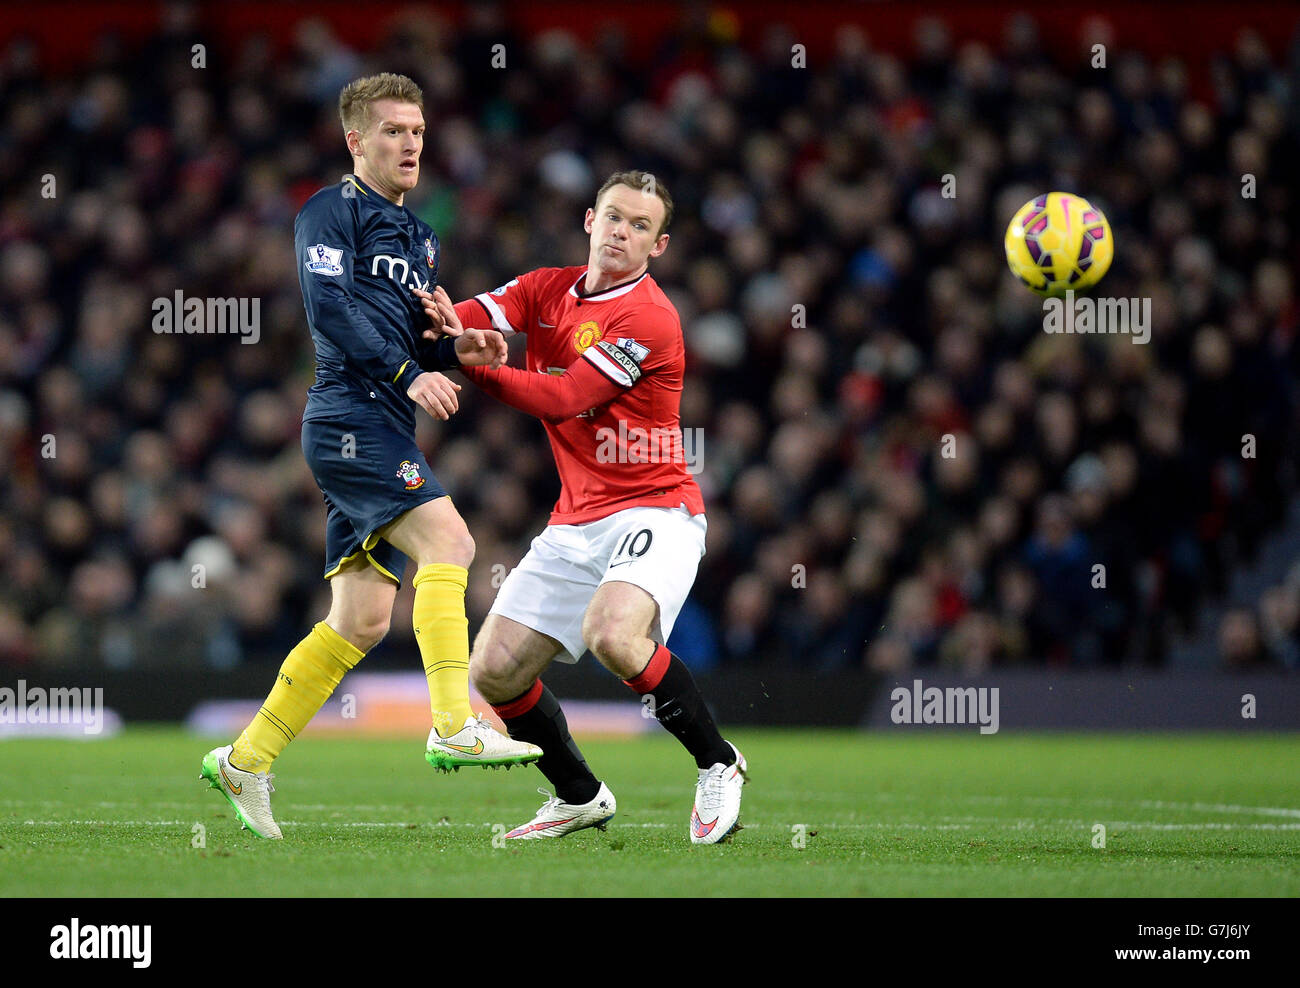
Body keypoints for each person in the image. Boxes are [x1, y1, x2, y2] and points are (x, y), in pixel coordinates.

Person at [200, 73, 541, 840]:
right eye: (392, 130)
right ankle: (454, 721)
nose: (411, 142)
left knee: (359, 620)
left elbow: (413, 337)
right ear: (355, 140)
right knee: (452, 542)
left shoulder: (421, 239)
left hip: (385, 421)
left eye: (418, 130)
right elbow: (330, 308)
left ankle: (246, 760)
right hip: (348, 419)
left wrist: (461, 348)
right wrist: (408, 373)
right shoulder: (328, 212)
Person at [413, 171, 747, 844]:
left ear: (658, 246)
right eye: (614, 217)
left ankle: (719, 762)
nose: (623, 231)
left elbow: (566, 396)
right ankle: (579, 795)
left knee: (613, 636)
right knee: (495, 669)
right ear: (590, 220)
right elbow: (461, 319)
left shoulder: (648, 317)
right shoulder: (543, 289)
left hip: (656, 507)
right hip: (577, 518)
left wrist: (469, 365)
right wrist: (425, 319)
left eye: (641, 225)